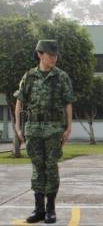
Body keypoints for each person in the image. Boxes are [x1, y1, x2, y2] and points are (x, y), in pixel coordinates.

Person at [14, 40, 74, 224]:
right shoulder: (29, 76)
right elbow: (20, 101)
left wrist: (68, 128)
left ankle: (50, 209)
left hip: (54, 128)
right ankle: (38, 209)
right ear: (40, 54)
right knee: (37, 169)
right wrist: (18, 126)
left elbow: (68, 103)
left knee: (51, 168)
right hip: (33, 128)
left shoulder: (61, 76)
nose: (54, 58)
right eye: (50, 54)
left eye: (55, 55)